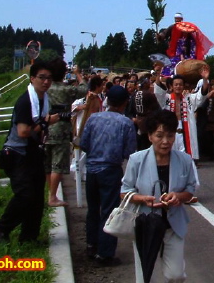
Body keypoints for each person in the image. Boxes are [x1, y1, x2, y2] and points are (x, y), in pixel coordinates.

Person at [122, 109, 197, 282]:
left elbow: (190, 189)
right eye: (159, 135)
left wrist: (179, 196)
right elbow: (125, 191)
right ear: (150, 136)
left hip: (173, 223)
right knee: (145, 274)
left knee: (176, 275)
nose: (165, 141)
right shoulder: (136, 160)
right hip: (144, 222)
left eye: (170, 136)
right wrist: (143, 199)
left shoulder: (184, 160)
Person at [0, 61, 60, 244]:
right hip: (17, 154)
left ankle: (29, 237)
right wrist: (47, 122)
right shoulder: (25, 101)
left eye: (49, 78)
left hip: (34, 153)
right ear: (32, 79)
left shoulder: (43, 100)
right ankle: (2, 228)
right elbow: (23, 132)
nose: (46, 82)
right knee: (25, 195)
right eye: (42, 77)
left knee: (37, 198)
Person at [81, 85, 136, 265]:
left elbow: (84, 143)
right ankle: (105, 254)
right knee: (109, 211)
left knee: (93, 209)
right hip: (111, 170)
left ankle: (91, 244)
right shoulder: (126, 122)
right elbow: (130, 151)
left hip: (91, 169)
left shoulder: (93, 119)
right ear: (124, 103)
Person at [45, 58, 87, 207]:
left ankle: (50, 192)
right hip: (61, 127)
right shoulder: (66, 89)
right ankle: (52, 196)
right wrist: (78, 74)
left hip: (45, 127)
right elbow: (83, 89)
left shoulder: (45, 87)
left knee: (48, 163)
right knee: (57, 164)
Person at [157, 12, 214, 77]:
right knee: (170, 63)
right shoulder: (172, 27)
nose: (177, 20)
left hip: (189, 55)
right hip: (177, 54)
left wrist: (191, 57)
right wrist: (160, 36)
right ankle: (169, 77)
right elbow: (165, 33)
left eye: (178, 19)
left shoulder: (191, 39)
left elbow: (193, 49)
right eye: (176, 19)